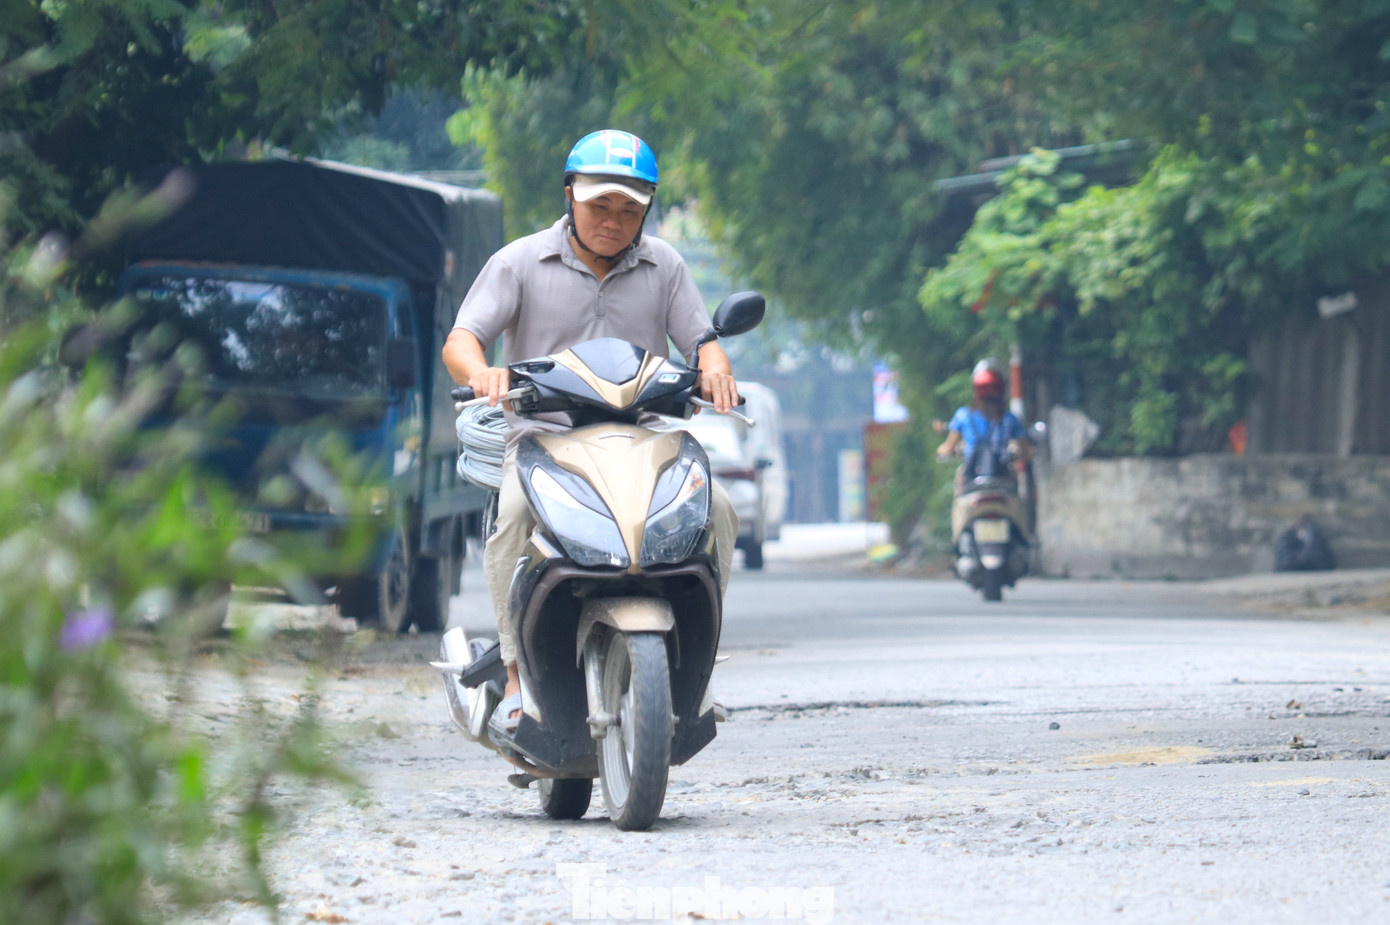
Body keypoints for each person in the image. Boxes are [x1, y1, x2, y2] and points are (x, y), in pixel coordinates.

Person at [441, 129, 741, 735]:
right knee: (513, 519)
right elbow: (461, 340)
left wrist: (715, 373)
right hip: (545, 436)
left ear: (646, 210)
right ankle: (517, 675)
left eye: (630, 209)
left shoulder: (666, 265)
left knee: (721, 509)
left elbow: (703, 343)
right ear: (571, 194)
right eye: (600, 205)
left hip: (648, 433)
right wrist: (483, 374)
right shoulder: (520, 261)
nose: (613, 220)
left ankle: (696, 667)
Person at [936, 357, 1030, 480]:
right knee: (1017, 480)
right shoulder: (1010, 419)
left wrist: (942, 450)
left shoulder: (963, 415)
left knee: (960, 477)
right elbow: (1025, 451)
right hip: (1002, 477)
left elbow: (948, 448)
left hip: (972, 478)